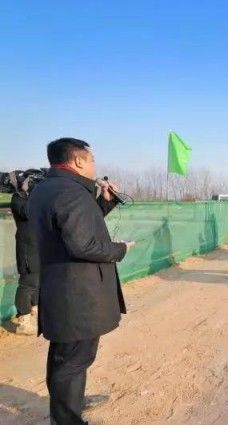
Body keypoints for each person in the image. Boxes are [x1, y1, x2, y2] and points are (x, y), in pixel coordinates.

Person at [28, 138, 135, 424]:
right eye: (91, 160)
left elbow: (74, 227)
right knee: (72, 362)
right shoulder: (71, 192)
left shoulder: (47, 188)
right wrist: (120, 249)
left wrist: (104, 202)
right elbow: (82, 244)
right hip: (77, 293)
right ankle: (66, 417)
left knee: (66, 357)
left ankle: (71, 403)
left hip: (61, 287)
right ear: (78, 161)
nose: (94, 166)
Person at [10, 170, 43, 335]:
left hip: (38, 246)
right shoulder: (18, 198)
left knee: (38, 280)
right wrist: (29, 192)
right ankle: (23, 321)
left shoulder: (34, 198)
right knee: (27, 283)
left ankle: (34, 310)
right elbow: (27, 212)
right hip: (27, 249)